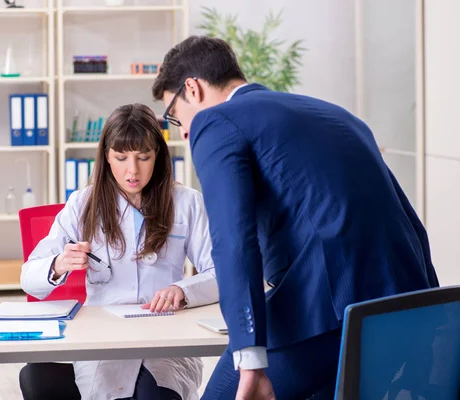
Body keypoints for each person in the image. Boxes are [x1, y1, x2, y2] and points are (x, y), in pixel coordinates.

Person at [152, 35, 439, 400]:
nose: (185, 131)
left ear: (192, 88)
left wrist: (250, 355)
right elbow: (406, 218)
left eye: (175, 117)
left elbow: (233, 242)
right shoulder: (333, 113)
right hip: (404, 310)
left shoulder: (215, 122)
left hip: (329, 313)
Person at [20, 103, 219, 400]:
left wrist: (183, 289)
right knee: (56, 380)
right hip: (104, 341)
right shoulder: (83, 203)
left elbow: (223, 274)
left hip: (164, 338)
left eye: (144, 157)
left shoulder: (187, 202)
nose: (132, 170)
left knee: (154, 393)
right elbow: (29, 277)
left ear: (159, 157)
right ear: (106, 157)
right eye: (121, 157)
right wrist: (59, 264)